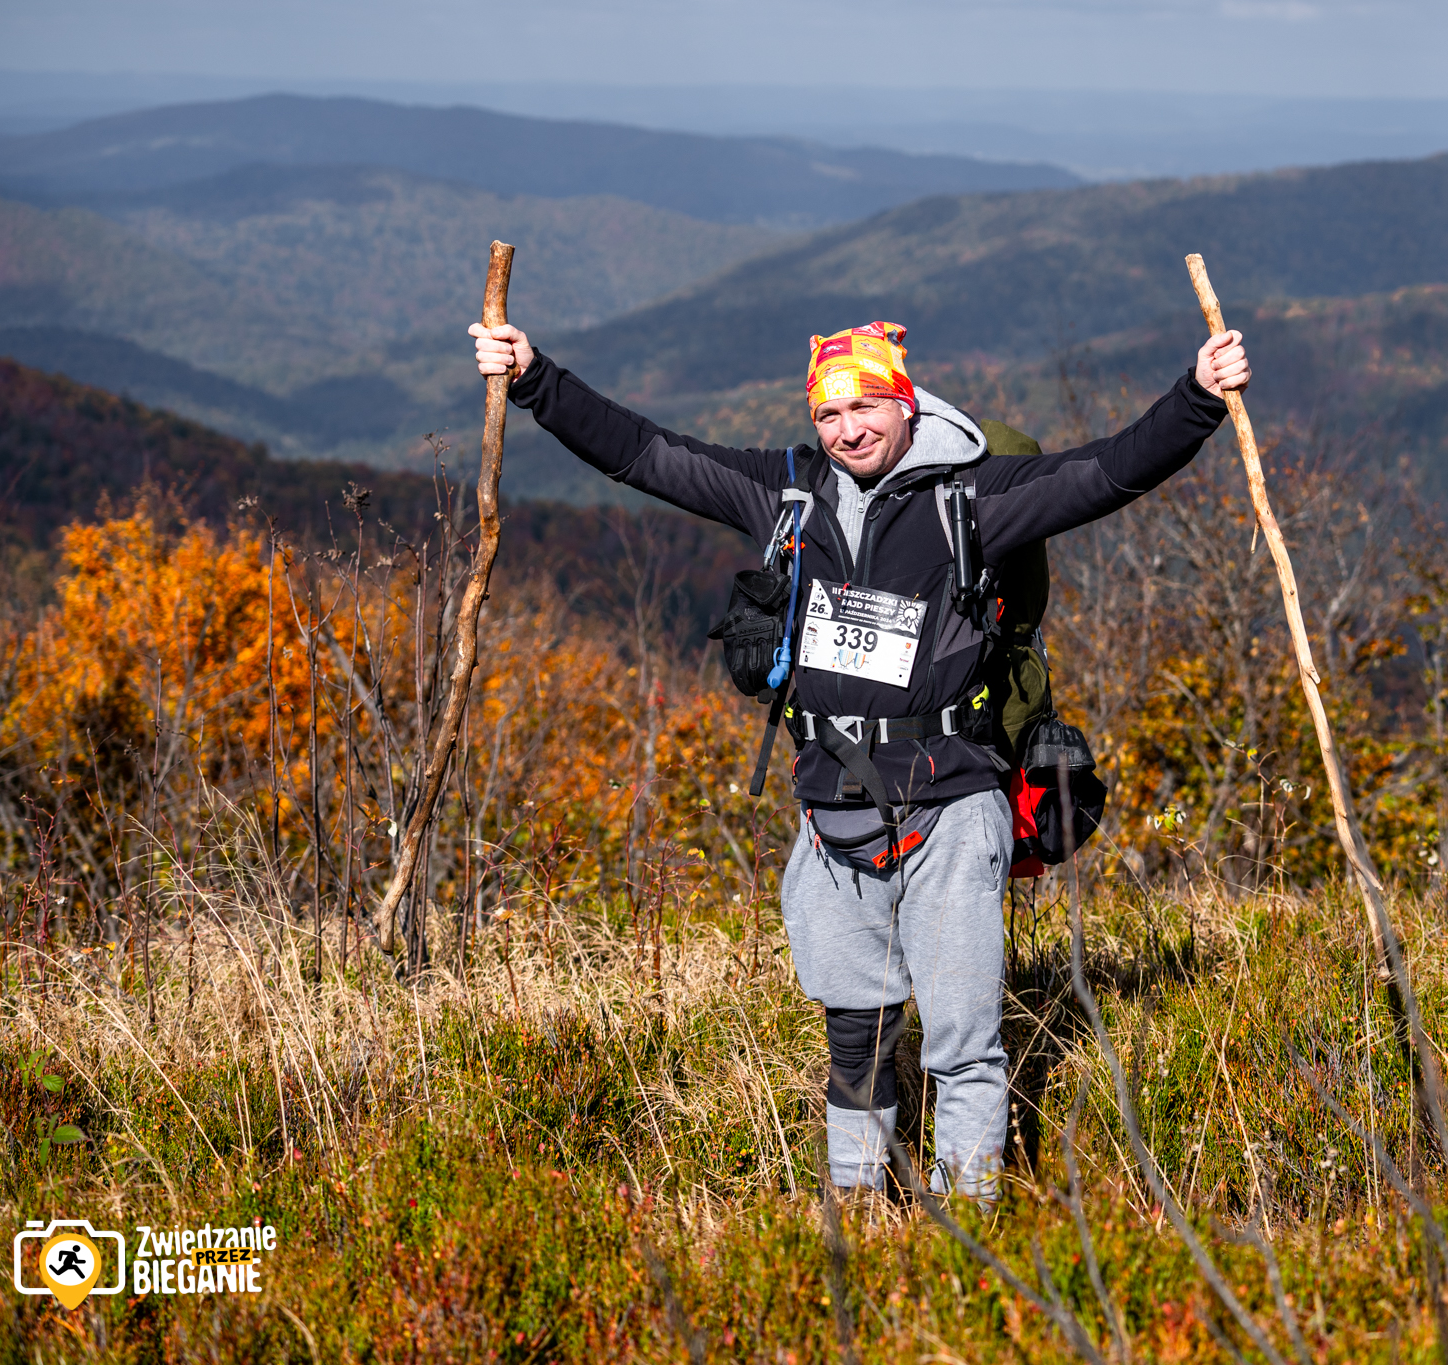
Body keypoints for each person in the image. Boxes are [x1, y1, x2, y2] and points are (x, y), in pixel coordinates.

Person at [471, 315, 1249, 1199]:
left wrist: (1198, 397)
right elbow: (646, 455)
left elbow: (1109, 471)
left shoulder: (971, 496)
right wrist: (536, 379)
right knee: (857, 1038)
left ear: (906, 403)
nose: (848, 430)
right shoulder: (789, 495)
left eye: (867, 406)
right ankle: (858, 1207)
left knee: (963, 1041)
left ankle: (970, 1214)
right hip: (833, 812)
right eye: (829, 413)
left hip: (951, 806)